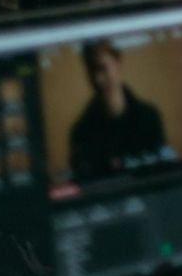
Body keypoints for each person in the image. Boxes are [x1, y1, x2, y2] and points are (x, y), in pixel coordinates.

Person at [68, 40, 169, 182]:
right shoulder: (81, 132)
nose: (98, 79)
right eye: (92, 71)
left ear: (118, 64)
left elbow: (164, 176)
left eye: (102, 68)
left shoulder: (149, 117)